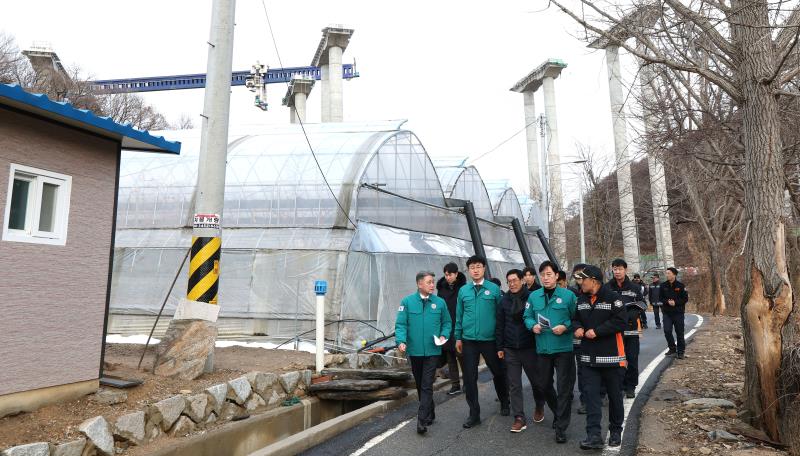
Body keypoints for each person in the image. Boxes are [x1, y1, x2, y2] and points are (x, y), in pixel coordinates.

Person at [573, 265, 627, 450]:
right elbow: (575, 318)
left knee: (614, 397)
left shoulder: (613, 298)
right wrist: (577, 328)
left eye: (583, 279)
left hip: (612, 359)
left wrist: (597, 332)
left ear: (594, 281)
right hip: (588, 359)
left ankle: (615, 432)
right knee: (591, 398)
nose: (580, 283)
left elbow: (621, 321)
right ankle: (593, 435)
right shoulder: (580, 299)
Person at [496, 269, 556, 433]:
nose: (512, 284)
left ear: (522, 280)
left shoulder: (532, 297)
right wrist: (499, 347)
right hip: (510, 349)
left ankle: (539, 404)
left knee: (537, 382)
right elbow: (500, 325)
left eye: (515, 280)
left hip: (529, 347)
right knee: (514, 385)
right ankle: (519, 418)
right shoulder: (504, 301)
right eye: (509, 281)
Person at [524, 261, 577, 444]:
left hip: (563, 348)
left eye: (548, 274)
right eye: (542, 274)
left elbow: (576, 318)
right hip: (543, 348)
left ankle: (561, 427)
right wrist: (533, 326)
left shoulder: (568, 296)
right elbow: (527, 316)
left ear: (556, 276)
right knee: (543, 385)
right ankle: (558, 412)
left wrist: (566, 326)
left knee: (564, 388)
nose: (545, 278)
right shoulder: (533, 297)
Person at [455, 255, 510, 428]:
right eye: (472, 267)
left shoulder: (494, 289)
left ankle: (504, 401)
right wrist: (458, 336)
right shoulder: (463, 291)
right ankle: (474, 414)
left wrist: (501, 340)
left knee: (498, 372)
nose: (475, 270)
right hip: (469, 340)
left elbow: (501, 316)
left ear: (484, 268)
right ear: (469, 270)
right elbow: (459, 315)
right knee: (470, 378)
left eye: (478, 266)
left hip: (490, 340)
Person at [396, 271, 452, 434]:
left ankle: (421, 420)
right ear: (419, 284)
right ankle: (430, 412)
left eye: (433, 282)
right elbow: (401, 324)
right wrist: (401, 341)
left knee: (427, 384)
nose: (432, 285)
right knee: (421, 384)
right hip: (414, 351)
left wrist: (444, 335)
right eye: (429, 282)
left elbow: (447, 323)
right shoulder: (407, 302)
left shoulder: (440, 303)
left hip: (433, 350)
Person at [605, 259, 646, 398]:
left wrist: (632, 314)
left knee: (632, 360)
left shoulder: (634, 288)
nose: (617, 272)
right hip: (614, 331)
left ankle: (630, 386)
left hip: (631, 330)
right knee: (617, 361)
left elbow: (642, 304)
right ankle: (619, 386)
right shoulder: (607, 287)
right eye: (615, 269)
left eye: (620, 269)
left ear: (625, 270)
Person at [436, 262, 467, 395]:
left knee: (462, 357)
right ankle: (455, 385)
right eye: (446, 275)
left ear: (456, 274)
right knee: (450, 358)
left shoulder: (463, 288)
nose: (448, 277)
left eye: (450, 274)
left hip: (460, 326)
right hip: (447, 327)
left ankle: (467, 383)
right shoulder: (441, 289)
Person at [569, 264, 588, 415]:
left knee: (589, 370)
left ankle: (600, 393)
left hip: (593, 338)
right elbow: (573, 316)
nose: (578, 278)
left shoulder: (595, 292)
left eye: (581, 274)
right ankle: (585, 401)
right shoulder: (574, 293)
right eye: (576, 275)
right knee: (581, 370)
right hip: (578, 337)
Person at [660, 267, 689, 359]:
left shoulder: (680, 286)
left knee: (679, 332)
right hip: (667, 313)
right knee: (667, 331)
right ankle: (672, 348)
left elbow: (685, 299)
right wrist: (667, 302)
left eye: (669, 273)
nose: (667, 275)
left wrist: (675, 303)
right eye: (666, 273)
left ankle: (681, 352)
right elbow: (660, 298)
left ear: (674, 274)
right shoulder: (663, 285)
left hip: (678, 313)